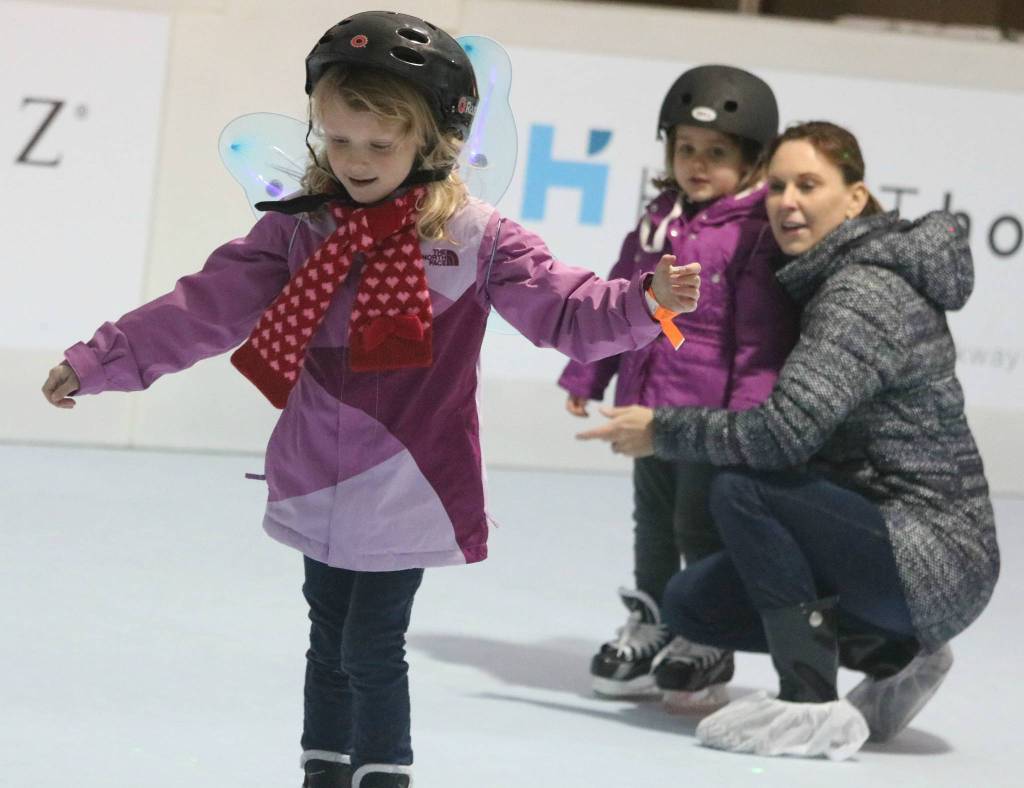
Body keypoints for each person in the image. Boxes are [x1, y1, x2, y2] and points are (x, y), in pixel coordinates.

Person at [40, 12, 700, 788]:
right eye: (337, 139)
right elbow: (205, 307)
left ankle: (384, 775)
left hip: (409, 482)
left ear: (434, 142)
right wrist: (100, 360)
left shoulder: (477, 239)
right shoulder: (303, 230)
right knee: (326, 638)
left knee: (371, 646)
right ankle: (324, 772)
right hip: (317, 470)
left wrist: (646, 302)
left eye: (377, 145)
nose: (353, 160)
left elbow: (568, 313)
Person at [578, 121, 999, 760]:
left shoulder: (864, 290)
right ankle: (894, 654)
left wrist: (662, 430)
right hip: (883, 536)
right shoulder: (823, 276)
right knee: (694, 604)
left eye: (809, 184)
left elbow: (781, 434)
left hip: (930, 553)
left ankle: (809, 701)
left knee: (744, 485)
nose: (788, 201)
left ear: (855, 198)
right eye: (777, 185)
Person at [559, 65, 796, 709]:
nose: (697, 164)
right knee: (654, 521)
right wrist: (590, 366)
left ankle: (707, 634)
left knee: (702, 525)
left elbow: (760, 340)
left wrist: (746, 419)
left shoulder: (753, 234)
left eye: (717, 153)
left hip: (711, 420)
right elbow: (617, 293)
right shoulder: (657, 220)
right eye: (686, 149)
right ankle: (656, 618)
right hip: (647, 404)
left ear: (751, 160)